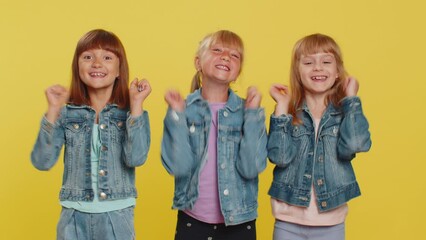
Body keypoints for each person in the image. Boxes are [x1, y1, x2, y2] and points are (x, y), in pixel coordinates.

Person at [31, 29, 151, 240]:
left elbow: (136, 158)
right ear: (78, 67)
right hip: (73, 217)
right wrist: (52, 111)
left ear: (118, 70)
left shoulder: (132, 114)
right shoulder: (66, 114)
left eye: (107, 57)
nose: (96, 63)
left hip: (117, 216)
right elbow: (42, 161)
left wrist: (137, 105)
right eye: (88, 57)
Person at [161, 30, 267, 240]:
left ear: (237, 72)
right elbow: (177, 166)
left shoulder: (249, 110)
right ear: (198, 62)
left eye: (234, 55)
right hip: (193, 220)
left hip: (240, 222)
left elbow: (251, 167)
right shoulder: (183, 108)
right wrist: (177, 115)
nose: (226, 56)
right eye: (217, 50)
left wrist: (254, 114)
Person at [267, 33, 372, 240]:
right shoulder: (288, 112)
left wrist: (351, 99)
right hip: (288, 223)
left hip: (331, 224)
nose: (317, 67)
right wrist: (281, 106)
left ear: (337, 72)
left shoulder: (345, 113)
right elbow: (278, 157)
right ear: (298, 72)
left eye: (326, 61)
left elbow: (356, 144)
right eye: (308, 62)